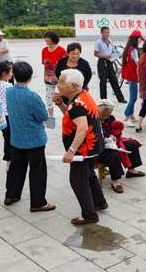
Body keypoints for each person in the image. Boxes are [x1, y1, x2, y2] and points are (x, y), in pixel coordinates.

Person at [52, 70, 108, 225]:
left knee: (78, 181)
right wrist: (60, 104)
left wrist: (71, 151)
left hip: (84, 150)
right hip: (93, 147)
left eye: (62, 82)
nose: (58, 85)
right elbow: (71, 116)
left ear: (73, 86)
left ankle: (89, 215)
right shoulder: (83, 96)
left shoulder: (77, 103)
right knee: (89, 174)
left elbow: (82, 128)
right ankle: (99, 202)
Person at [4, 62, 55, 212]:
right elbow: (44, 116)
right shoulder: (32, 96)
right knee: (37, 171)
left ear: (13, 76)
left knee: (15, 168)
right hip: (34, 139)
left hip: (16, 137)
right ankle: (38, 202)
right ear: (30, 77)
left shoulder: (9, 92)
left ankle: (11, 195)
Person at [97, 99, 145, 194]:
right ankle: (115, 181)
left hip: (110, 142)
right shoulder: (92, 120)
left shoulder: (110, 118)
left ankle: (131, 170)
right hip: (98, 147)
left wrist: (114, 138)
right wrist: (102, 140)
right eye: (104, 115)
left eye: (108, 115)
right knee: (114, 154)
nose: (106, 117)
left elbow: (116, 131)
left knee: (132, 144)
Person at [94, 26, 126, 103]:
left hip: (110, 62)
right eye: (105, 32)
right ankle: (104, 99)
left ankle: (120, 98)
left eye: (108, 32)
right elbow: (95, 53)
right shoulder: (98, 42)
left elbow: (112, 52)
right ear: (101, 33)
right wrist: (104, 56)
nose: (107, 34)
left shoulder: (110, 41)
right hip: (102, 62)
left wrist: (117, 55)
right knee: (103, 81)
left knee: (114, 80)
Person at [42, 30, 67, 117]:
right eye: (45, 38)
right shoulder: (44, 50)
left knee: (64, 96)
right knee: (49, 98)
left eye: (47, 38)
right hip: (48, 78)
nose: (45, 39)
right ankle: (51, 117)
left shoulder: (61, 50)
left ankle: (67, 115)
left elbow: (66, 64)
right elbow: (44, 64)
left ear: (53, 39)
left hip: (60, 78)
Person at [121, 30, 144, 126]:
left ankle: (131, 115)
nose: (140, 41)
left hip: (129, 75)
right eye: (140, 39)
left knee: (132, 96)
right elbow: (138, 64)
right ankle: (126, 117)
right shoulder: (134, 50)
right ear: (136, 39)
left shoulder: (128, 48)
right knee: (133, 97)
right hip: (133, 76)